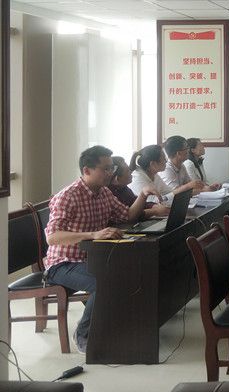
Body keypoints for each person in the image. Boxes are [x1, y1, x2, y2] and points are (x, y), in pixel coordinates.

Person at [44, 145, 151, 353]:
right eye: (106, 169)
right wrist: (92, 235)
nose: (111, 173)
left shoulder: (104, 193)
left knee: (133, 270)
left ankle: (117, 326)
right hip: (63, 264)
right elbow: (52, 237)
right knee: (104, 281)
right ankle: (83, 333)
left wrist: (143, 195)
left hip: (93, 259)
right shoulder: (68, 196)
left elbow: (128, 215)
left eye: (112, 168)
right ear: (87, 170)